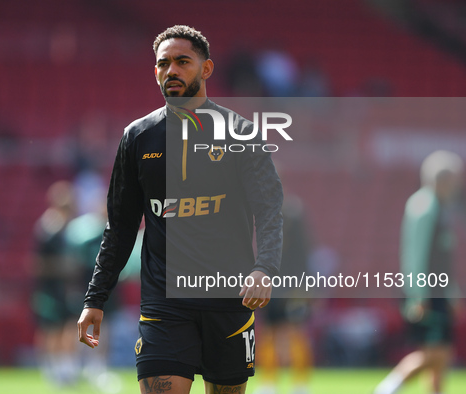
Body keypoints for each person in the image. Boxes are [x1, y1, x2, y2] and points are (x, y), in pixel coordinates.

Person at [77, 25, 283, 394]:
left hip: (228, 300)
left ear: (206, 69)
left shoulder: (242, 134)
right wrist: (96, 298)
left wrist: (264, 268)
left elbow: (269, 210)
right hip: (164, 304)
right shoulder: (138, 137)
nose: (171, 71)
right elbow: (120, 227)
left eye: (182, 62)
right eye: (163, 64)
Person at [374, 150, 463, 394]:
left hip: (439, 292)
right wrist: (418, 295)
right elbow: (417, 255)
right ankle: (387, 388)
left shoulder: (440, 208)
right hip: (427, 293)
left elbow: (444, 259)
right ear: (443, 179)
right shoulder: (424, 207)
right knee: (433, 353)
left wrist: (452, 293)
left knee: (442, 355)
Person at [255, 192, 313, 394]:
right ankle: (269, 383)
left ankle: (300, 384)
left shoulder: (293, 213)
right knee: (269, 334)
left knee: (294, 333)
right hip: (269, 283)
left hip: (290, 284)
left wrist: (305, 286)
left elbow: (303, 253)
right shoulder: (262, 213)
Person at [32, 180, 81, 387]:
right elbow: (38, 263)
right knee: (50, 328)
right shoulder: (47, 227)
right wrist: (63, 267)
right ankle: (50, 368)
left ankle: (65, 368)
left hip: (66, 287)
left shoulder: (68, 228)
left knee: (68, 327)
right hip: (49, 287)